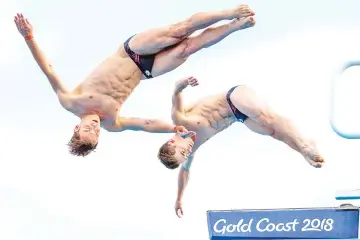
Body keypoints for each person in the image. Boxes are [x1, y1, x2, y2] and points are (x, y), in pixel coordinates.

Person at [13, 5, 256, 156]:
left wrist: (29, 37)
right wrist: (173, 127)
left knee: (179, 31)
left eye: (88, 128)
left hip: (131, 52)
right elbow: (145, 124)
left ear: (77, 127)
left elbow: (49, 69)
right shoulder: (113, 123)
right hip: (146, 71)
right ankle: (235, 27)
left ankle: (228, 13)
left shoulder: (71, 102)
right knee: (186, 49)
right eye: (96, 133)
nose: (95, 126)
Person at [157, 76, 325, 218]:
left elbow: (175, 92)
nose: (188, 151)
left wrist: (184, 82)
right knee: (273, 133)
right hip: (238, 116)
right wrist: (179, 198)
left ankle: (304, 145)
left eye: (183, 151)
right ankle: (306, 152)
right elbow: (185, 172)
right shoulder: (192, 148)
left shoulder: (180, 121)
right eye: (185, 155)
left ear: (172, 142)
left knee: (267, 119)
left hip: (234, 97)